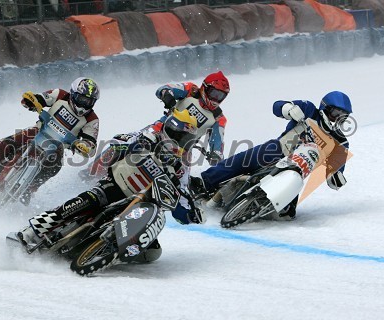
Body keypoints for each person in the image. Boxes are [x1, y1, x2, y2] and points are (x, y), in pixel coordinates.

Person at [18, 109, 205, 262]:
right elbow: (117, 141)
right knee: (88, 201)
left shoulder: (181, 167)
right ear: (170, 130)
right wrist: (135, 146)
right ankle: (33, 229)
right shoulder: (148, 136)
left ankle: (106, 254)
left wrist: (190, 214)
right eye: (179, 136)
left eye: (185, 139)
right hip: (115, 185)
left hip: (142, 207)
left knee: (152, 253)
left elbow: (182, 196)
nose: (180, 142)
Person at [189, 91, 353, 219]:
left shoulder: (341, 143)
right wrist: (288, 109)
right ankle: (203, 182)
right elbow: (277, 106)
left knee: (287, 215)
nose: (337, 119)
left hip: (297, 172)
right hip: (278, 150)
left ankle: (258, 209)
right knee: (243, 160)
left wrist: (336, 177)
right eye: (336, 114)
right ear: (326, 108)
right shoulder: (309, 109)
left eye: (342, 117)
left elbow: (336, 172)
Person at [0, 77, 101, 204]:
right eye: (82, 99)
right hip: (38, 130)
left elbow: (91, 144)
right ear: (73, 94)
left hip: (58, 146)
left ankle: (29, 189)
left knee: (54, 168)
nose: (84, 104)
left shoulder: (92, 120)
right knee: (3, 145)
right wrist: (31, 100)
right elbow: (41, 98)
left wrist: (84, 146)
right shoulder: (60, 94)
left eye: (88, 101)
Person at [83, 70, 231, 179]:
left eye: (220, 96)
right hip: (159, 129)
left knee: (181, 181)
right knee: (124, 143)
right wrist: (168, 95)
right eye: (214, 93)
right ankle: (91, 173)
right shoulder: (190, 90)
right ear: (204, 87)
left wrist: (216, 154)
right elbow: (164, 88)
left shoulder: (219, 118)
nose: (215, 99)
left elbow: (218, 141)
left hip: (184, 149)